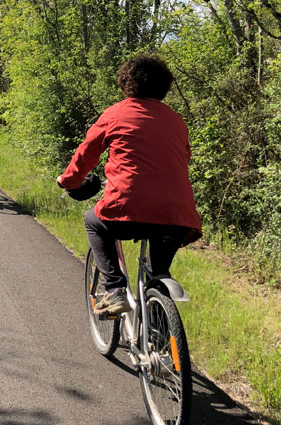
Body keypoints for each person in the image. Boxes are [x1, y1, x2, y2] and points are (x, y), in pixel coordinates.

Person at [57, 54, 202, 318]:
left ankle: (114, 290)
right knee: (159, 275)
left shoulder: (115, 113)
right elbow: (182, 160)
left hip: (127, 208)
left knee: (93, 220)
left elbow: (86, 155)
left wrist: (68, 182)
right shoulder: (177, 120)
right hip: (178, 216)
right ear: (164, 87)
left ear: (126, 83)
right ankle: (161, 338)